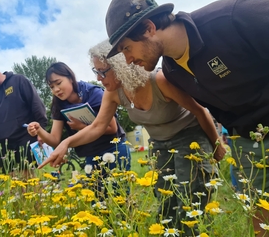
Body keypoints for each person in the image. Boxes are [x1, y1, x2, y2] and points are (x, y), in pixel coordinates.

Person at [104, 0, 269, 234]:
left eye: (127, 48)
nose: (127, 60)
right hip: (246, 141)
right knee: (260, 216)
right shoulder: (172, 72)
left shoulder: (236, 16)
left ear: (148, 28)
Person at [38, 40, 225, 233]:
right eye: (96, 72)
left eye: (103, 72)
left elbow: (200, 111)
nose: (99, 79)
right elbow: (97, 127)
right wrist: (66, 143)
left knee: (192, 200)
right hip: (160, 144)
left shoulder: (158, 80)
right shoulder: (113, 93)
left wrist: (217, 145)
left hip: (190, 138)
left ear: (121, 65)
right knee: (166, 201)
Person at [27, 62, 130, 182]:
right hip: (91, 154)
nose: (56, 89)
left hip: (114, 148)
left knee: (121, 192)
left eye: (58, 83)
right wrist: (39, 130)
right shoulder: (58, 104)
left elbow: (112, 128)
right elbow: (55, 140)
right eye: (52, 87)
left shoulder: (93, 93)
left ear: (70, 78)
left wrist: (81, 126)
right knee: (96, 196)